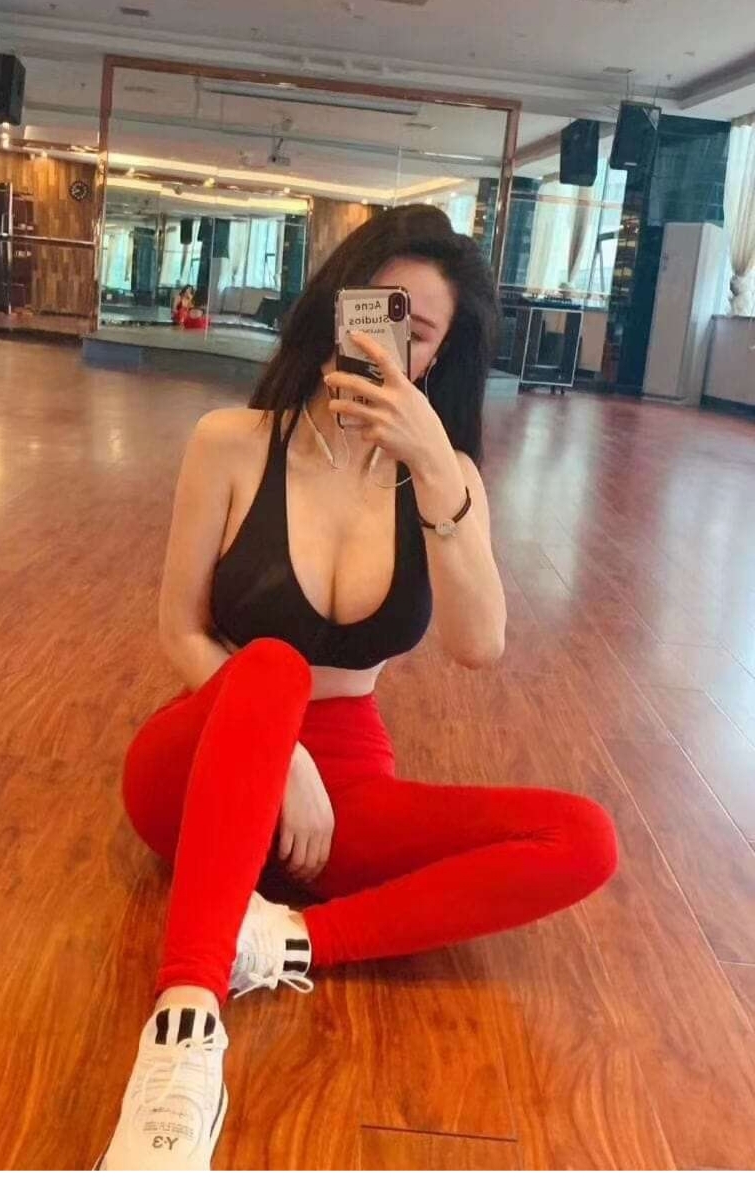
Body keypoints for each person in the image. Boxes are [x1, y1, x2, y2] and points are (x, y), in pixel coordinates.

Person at [98, 205, 618, 1170]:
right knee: (272, 665)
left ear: (438, 356)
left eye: (417, 330)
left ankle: (286, 941)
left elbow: (480, 645)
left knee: (583, 837)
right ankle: (184, 1028)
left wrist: (435, 468)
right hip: (210, 752)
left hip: (343, 794)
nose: (389, 343)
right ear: (336, 309)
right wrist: (282, 751)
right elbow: (180, 628)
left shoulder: (449, 480)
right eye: (378, 309)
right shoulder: (232, 441)